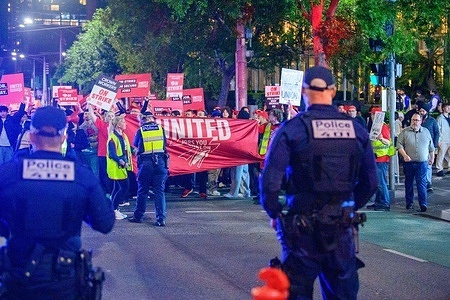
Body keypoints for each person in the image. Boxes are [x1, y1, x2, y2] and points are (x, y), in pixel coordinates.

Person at [260, 66, 377, 299]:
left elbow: (270, 182)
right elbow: (371, 182)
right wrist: (349, 206)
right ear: (333, 91)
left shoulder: (292, 129)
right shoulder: (356, 129)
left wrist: (275, 214)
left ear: (304, 90)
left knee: (297, 292)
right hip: (341, 229)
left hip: (301, 231)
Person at [0, 106, 114, 299]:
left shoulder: (9, 173)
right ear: (63, 137)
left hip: (18, 277)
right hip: (64, 279)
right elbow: (104, 223)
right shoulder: (81, 175)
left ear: (32, 136)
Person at [129, 111, 169, 226]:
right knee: (159, 191)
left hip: (146, 163)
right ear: (152, 118)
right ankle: (161, 219)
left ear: (143, 120)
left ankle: (138, 216)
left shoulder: (141, 130)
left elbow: (136, 146)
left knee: (142, 190)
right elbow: (164, 145)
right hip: (161, 162)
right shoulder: (160, 129)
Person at [397, 113, 435, 212]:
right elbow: (399, 145)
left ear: (421, 121)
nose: (415, 122)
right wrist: (405, 155)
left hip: (422, 163)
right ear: (411, 120)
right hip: (408, 163)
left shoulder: (426, 132)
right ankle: (409, 203)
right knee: (409, 183)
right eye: (413, 120)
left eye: (417, 120)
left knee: (421, 183)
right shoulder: (405, 132)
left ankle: (423, 203)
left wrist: (432, 157)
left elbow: (431, 147)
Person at [107, 114, 133, 220]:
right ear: (118, 125)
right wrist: (122, 162)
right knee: (124, 187)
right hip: (117, 167)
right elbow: (112, 154)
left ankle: (113, 210)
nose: (125, 124)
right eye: (123, 122)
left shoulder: (123, 135)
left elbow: (126, 147)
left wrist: (134, 150)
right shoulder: (113, 138)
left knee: (117, 188)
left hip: (121, 166)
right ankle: (114, 210)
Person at [366, 107, 392, 211]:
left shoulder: (383, 127)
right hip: (377, 158)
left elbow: (388, 142)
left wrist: (381, 138)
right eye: (371, 114)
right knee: (378, 182)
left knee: (381, 183)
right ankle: (379, 202)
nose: (371, 116)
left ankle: (385, 203)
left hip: (381, 159)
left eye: (373, 114)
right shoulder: (375, 127)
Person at [417, 102, 439, 191]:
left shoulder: (432, 121)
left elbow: (437, 133)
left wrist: (435, 144)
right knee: (421, 164)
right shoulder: (417, 120)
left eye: (423, 111)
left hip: (430, 146)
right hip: (419, 145)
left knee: (429, 164)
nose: (421, 112)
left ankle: (428, 182)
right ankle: (423, 181)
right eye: (420, 111)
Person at [435, 103, 450, 177]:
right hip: (443, 139)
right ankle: (439, 169)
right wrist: (438, 140)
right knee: (441, 155)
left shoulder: (449, 117)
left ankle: (449, 168)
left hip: (449, 138)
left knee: (448, 155)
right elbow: (438, 130)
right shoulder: (440, 118)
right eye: (447, 107)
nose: (449, 109)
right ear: (443, 108)